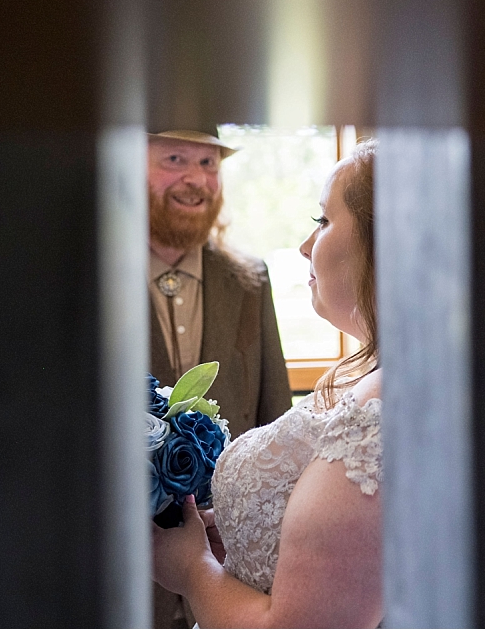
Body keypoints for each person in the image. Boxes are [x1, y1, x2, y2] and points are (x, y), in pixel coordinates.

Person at [153, 140, 383, 628]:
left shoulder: (380, 412)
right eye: (174, 159)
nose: (304, 245)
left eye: (322, 220)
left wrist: (192, 570)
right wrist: (242, 531)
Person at [146, 128, 295, 627]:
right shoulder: (85, 276)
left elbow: (276, 421)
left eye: (209, 164)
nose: (196, 180)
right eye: (174, 158)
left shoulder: (250, 280)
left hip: (230, 582)